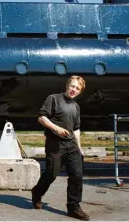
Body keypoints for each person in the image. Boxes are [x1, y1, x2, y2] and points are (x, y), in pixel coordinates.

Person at [31, 75, 90, 221]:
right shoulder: (53, 99)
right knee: (51, 174)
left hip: (72, 144)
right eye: (72, 86)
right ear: (67, 85)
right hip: (55, 143)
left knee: (77, 175)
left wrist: (79, 147)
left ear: (80, 91)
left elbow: (76, 129)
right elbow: (41, 118)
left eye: (77, 88)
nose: (73, 90)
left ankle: (73, 207)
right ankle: (37, 192)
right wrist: (56, 128)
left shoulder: (76, 107)